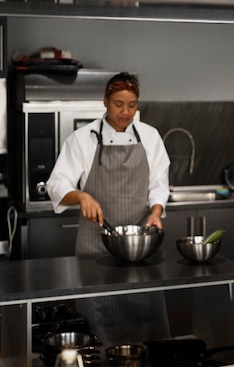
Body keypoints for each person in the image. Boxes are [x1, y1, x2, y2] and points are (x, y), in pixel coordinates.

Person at [46, 71, 171, 347]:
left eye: (132, 104)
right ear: (105, 101)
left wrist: (156, 212)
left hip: (141, 251)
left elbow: (159, 185)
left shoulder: (150, 137)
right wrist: (80, 196)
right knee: (97, 330)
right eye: (118, 104)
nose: (126, 112)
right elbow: (57, 185)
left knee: (146, 328)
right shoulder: (83, 139)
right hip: (96, 252)